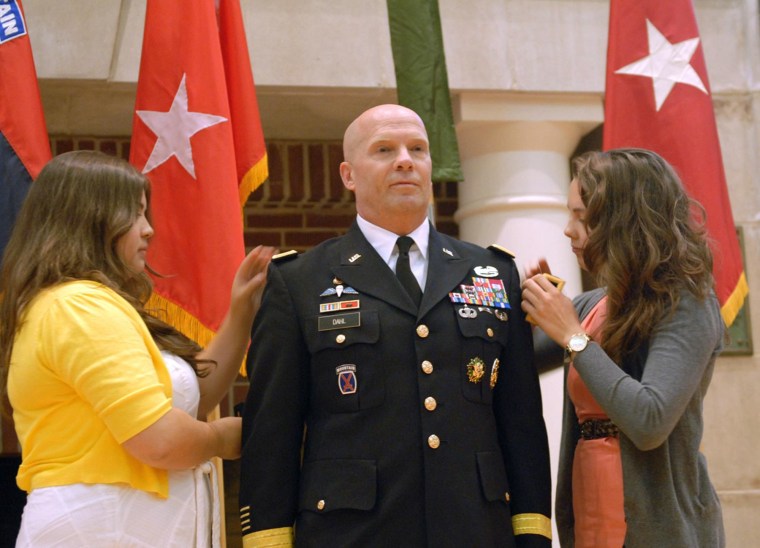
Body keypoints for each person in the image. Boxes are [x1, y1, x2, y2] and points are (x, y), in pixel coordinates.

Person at [238, 104, 551, 547]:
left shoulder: (491, 272)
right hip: (352, 533)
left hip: (475, 529)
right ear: (348, 175)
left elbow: (520, 422)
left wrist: (533, 533)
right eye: (384, 149)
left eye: (417, 149)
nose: (405, 159)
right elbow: (272, 431)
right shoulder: (299, 281)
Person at [0, 150, 275, 547]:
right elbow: (161, 440)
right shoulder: (78, 307)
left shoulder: (87, 303)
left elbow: (186, 404)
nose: (148, 230)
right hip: (101, 529)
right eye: (134, 213)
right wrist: (231, 435)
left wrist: (240, 312)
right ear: (89, 219)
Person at [521, 148, 725, 547]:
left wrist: (573, 337)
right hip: (589, 511)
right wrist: (525, 314)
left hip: (661, 528)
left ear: (623, 219)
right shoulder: (591, 304)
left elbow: (649, 421)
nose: (568, 229)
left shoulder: (687, 303)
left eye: (581, 216)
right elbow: (515, 365)